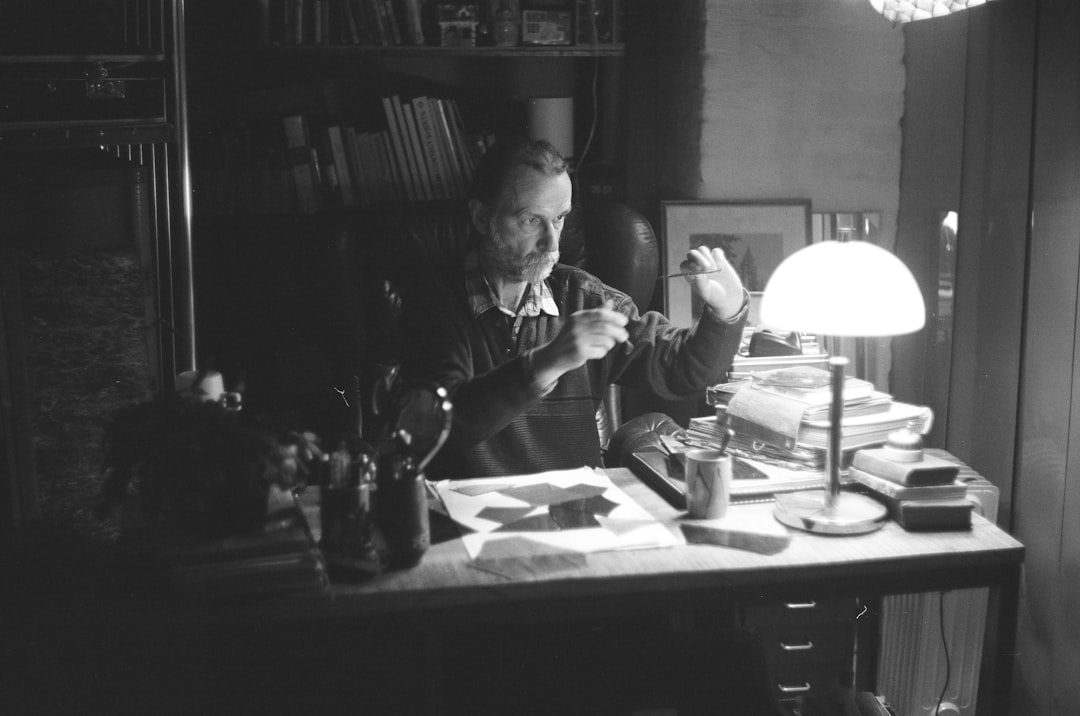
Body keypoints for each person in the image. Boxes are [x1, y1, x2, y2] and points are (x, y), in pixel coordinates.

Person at [400, 137, 748, 479]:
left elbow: (683, 370)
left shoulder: (584, 296)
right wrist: (545, 362)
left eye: (560, 219)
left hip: (578, 514)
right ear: (480, 218)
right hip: (467, 518)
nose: (552, 243)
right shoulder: (432, 305)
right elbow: (438, 429)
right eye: (531, 221)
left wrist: (726, 309)